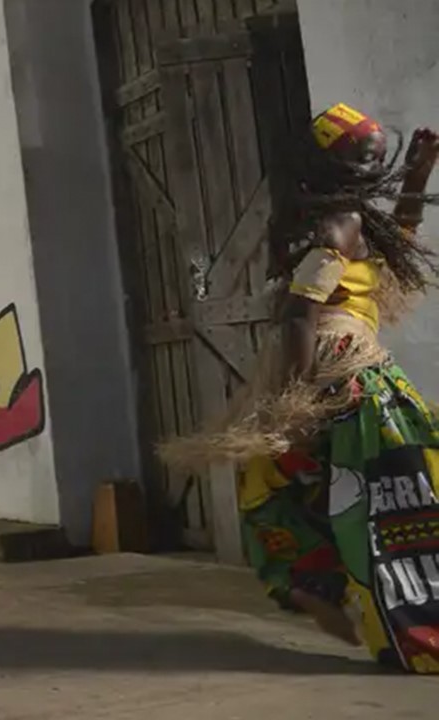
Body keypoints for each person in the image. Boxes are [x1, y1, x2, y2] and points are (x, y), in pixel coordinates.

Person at [162, 103, 439, 672]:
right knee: (361, 497)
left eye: (378, 156)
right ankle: (377, 618)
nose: (375, 165)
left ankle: (319, 588)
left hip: (348, 372)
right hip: (343, 377)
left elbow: (399, 242)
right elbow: (296, 317)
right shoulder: (333, 226)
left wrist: (417, 176)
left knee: (296, 486)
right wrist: (295, 404)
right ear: (335, 164)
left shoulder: (353, 216)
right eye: (365, 158)